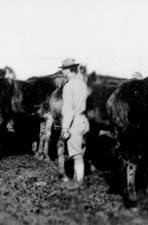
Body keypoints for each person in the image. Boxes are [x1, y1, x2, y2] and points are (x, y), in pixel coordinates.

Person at [59, 58, 90, 189]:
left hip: (74, 123)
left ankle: (79, 182)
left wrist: (65, 128)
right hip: (84, 120)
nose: (63, 72)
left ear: (69, 70)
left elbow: (68, 111)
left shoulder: (68, 86)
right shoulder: (83, 84)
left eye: (64, 70)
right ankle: (79, 178)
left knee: (76, 156)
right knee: (82, 152)